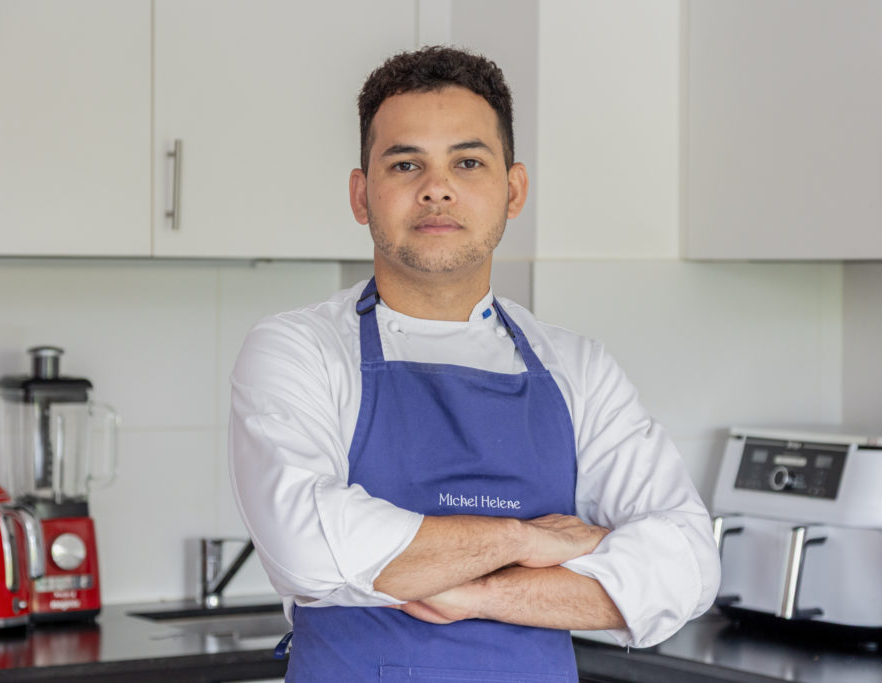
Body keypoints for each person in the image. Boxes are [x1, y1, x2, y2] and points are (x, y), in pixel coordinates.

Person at [229, 46, 720, 682]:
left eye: (467, 161)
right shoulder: (299, 351)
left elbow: (687, 564)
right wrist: (528, 540)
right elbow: (310, 545)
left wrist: (479, 594)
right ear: (361, 194)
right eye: (406, 163)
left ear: (513, 190)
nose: (437, 187)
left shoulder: (577, 368)